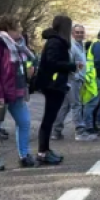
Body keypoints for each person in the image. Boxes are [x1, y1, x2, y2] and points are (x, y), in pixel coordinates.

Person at [0, 15, 35, 172]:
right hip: (0, 94)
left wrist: (29, 74)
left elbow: (19, 67)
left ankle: (24, 156)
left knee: (24, 122)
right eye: (18, 27)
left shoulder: (17, 46)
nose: (21, 30)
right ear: (9, 29)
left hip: (16, 92)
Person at [35, 16, 79, 165]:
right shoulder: (55, 42)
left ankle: (45, 149)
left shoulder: (56, 41)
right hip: (53, 85)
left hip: (54, 84)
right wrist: (71, 66)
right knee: (48, 119)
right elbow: (52, 62)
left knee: (50, 118)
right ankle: (42, 151)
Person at [53, 24, 89, 141]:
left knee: (65, 106)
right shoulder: (72, 46)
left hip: (77, 79)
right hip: (73, 79)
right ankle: (80, 132)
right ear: (73, 34)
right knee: (76, 105)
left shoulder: (81, 46)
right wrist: (76, 76)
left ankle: (56, 131)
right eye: (77, 32)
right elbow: (69, 63)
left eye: (81, 32)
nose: (79, 34)